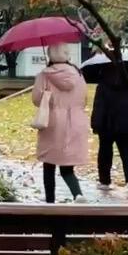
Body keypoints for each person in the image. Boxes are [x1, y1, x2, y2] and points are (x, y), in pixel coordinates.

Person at [32, 42, 89, 202]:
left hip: (52, 121)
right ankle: (77, 193)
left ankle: (50, 200)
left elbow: (36, 100)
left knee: (49, 162)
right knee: (67, 165)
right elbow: (84, 98)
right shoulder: (78, 74)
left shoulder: (44, 75)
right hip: (75, 121)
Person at [90, 69, 128, 194]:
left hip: (107, 125)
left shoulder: (102, 87)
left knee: (105, 152)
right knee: (126, 153)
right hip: (127, 125)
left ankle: (105, 181)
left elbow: (99, 107)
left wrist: (95, 125)